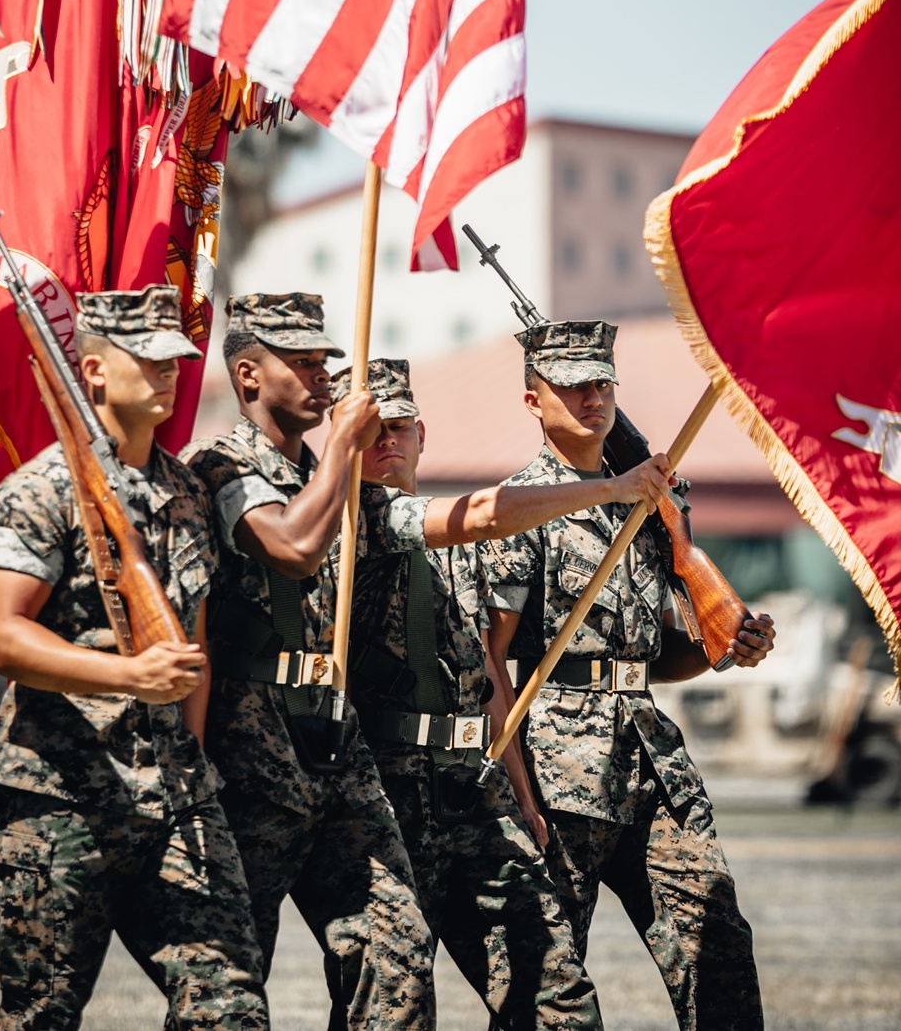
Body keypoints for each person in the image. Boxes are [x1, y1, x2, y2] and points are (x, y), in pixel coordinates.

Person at [182, 292, 670, 1029]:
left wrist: (610, 488)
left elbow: (474, 517)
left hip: (343, 759)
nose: (321, 377)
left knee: (400, 969)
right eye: (304, 363)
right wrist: (343, 455)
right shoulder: (223, 464)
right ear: (247, 375)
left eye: (326, 363)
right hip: (254, 757)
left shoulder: (358, 497)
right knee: (223, 994)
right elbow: (290, 546)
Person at [0, 285, 269, 1031]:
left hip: (177, 801)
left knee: (230, 1008)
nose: (170, 373)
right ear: (97, 371)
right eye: (151, 360)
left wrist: (193, 762)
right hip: (61, 797)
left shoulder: (188, 492)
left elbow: (192, 639)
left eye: (177, 359)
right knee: (41, 1014)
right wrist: (126, 677)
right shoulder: (40, 491)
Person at [482, 320, 775, 1031]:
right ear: (533, 402)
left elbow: (652, 655)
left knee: (717, 946)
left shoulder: (649, 504)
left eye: (602, 383)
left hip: (649, 756)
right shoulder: (522, 506)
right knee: (550, 976)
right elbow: (491, 661)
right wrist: (516, 788)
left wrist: (721, 644)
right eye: (571, 385)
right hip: (559, 767)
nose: (591, 397)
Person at [331, 357, 602, 1030]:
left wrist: (525, 797)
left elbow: (487, 674)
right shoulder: (344, 527)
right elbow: (483, 515)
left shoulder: (456, 545)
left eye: (397, 427)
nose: (386, 442)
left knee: (555, 989)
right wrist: (612, 488)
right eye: (368, 432)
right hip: (385, 791)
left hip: (473, 789)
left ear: (422, 432)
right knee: (392, 1000)